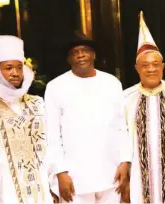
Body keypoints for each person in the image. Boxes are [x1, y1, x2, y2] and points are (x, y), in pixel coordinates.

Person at [45, 32, 131, 203]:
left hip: (110, 172)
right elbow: (52, 135)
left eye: (84, 50)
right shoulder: (55, 87)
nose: (80, 55)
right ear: (68, 59)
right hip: (75, 177)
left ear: (94, 54)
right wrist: (60, 172)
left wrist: (125, 162)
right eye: (74, 52)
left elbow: (122, 126)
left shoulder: (112, 83)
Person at [0, 35, 53, 204]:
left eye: (19, 67)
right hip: (5, 194)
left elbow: (51, 145)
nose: (15, 73)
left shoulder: (38, 104)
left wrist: (55, 186)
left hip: (43, 193)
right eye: (8, 68)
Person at [123, 11, 165, 204]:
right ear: (137, 69)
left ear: (163, 66)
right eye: (145, 65)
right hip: (139, 175)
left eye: (155, 64)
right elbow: (119, 136)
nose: (151, 69)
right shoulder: (126, 99)